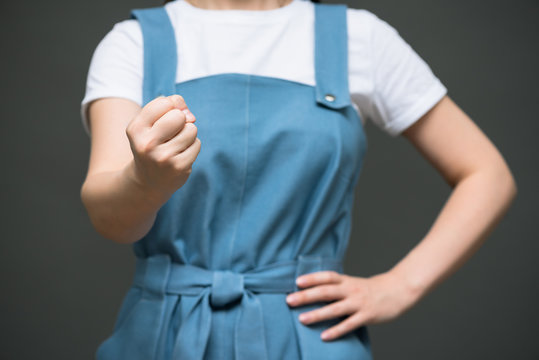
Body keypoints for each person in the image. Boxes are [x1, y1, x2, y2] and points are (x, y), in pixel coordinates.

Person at [79, 0, 517, 359]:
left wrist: (401, 285)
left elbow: (488, 175)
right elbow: (111, 220)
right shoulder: (132, 43)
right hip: (163, 339)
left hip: (311, 336)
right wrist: (146, 181)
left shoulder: (359, 38)